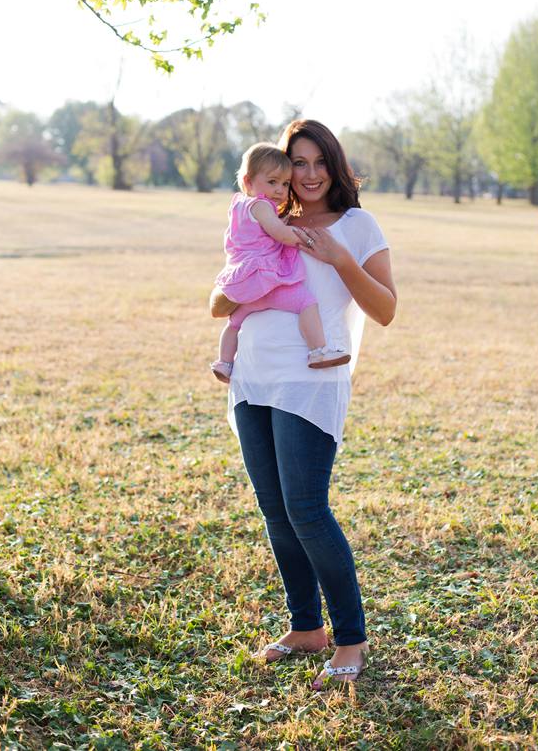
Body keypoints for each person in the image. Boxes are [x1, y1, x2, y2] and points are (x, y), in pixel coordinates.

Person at [211, 119, 396, 689]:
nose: (308, 174)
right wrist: (241, 281)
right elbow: (221, 300)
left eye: (319, 162)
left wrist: (340, 258)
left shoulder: (358, 226)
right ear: (280, 170)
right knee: (276, 512)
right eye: (298, 163)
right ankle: (306, 628)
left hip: (310, 384)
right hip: (253, 379)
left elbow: (386, 309)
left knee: (308, 511)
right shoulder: (268, 221)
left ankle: (350, 640)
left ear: (335, 166)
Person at [209, 143, 350, 384]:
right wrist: (305, 236)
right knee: (306, 302)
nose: (279, 190)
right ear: (248, 181)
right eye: (272, 182)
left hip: (246, 286)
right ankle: (318, 351)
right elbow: (279, 234)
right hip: (267, 280)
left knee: (234, 323)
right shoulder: (261, 205)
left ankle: (224, 362)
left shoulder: (238, 206)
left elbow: (256, 231)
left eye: (285, 184)